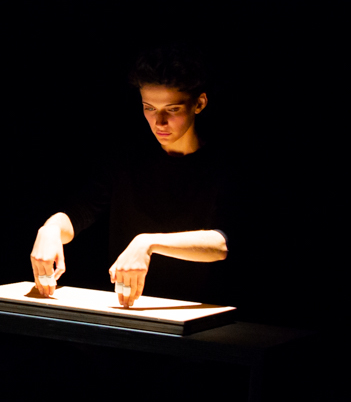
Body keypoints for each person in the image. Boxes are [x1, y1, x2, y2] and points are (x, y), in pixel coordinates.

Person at [29, 45, 231, 307]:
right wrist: (51, 228)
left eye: (172, 109)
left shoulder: (223, 164)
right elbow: (80, 211)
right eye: (149, 107)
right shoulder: (126, 159)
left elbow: (224, 242)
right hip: (130, 311)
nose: (159, 122)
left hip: (203, 316)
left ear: (199, 104)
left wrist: (148, 243)